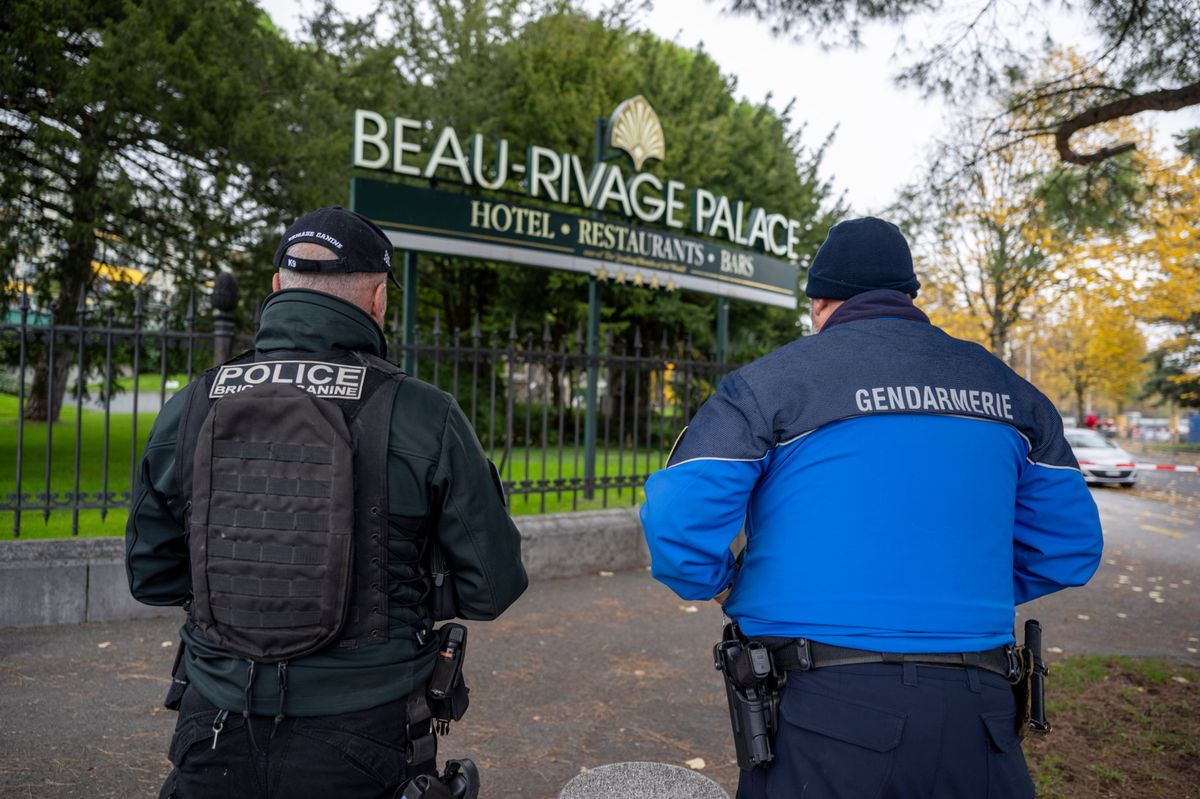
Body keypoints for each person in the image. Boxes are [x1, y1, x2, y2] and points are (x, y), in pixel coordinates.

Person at [640, 217, 1103, 798]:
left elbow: (678, 524)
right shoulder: (1011, 393)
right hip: (979, 709)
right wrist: (949, 595)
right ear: (909, 296)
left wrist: (725, 586)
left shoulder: (768, 385)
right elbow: (1069, 548)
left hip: (821, 709)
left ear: (820, 303)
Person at [126, 207, 528, 799]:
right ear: (376, 300)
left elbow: (152, 578)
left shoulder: (193, 404)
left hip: (212, 725)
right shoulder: (424, 415)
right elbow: (491, 589)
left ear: (276, 288)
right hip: (365, 732)